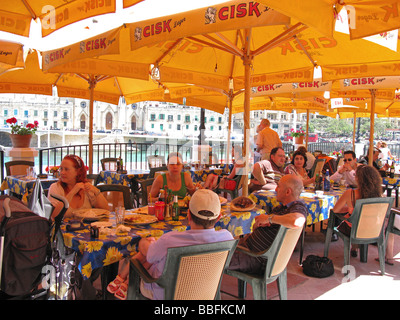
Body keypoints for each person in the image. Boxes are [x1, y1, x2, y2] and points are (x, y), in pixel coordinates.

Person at [107, 189, 233, 300]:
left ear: (188, 215)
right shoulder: (227, 238)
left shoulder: (169, 240)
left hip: (165, 292)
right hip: (205, 291)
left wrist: (144, 242)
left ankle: (121, 281)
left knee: (149, 258)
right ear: (218, 218)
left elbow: (149, 255)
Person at [228, 174, 307, 275]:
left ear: (288, 192)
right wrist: (258, 227)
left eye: (279, 186)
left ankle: (209, 288)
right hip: (249, 250)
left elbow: (297, 221)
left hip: (256, 258)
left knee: (211, 260)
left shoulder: (298, 207)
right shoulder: (282, 208)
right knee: (218, 247)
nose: (275, 189)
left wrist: (269, 219)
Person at [332, 165, 383, 258]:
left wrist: (349, 209)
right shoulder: (380, 196)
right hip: (374, 229)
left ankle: (354, 247)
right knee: (359, 220)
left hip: (354, 231)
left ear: (359, 179)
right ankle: (355, 248)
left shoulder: (350, 193)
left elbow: (336, 210)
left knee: (352, 221)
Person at [48, 154, 108, 218]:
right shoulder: (55, 187)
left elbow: (105, 210)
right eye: (61, 169)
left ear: (77, 171)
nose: (62, 172)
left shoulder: (86, 188)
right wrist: (73, 192)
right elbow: (53, 216)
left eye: (66, 169)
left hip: (87, 227)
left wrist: (96, 191)